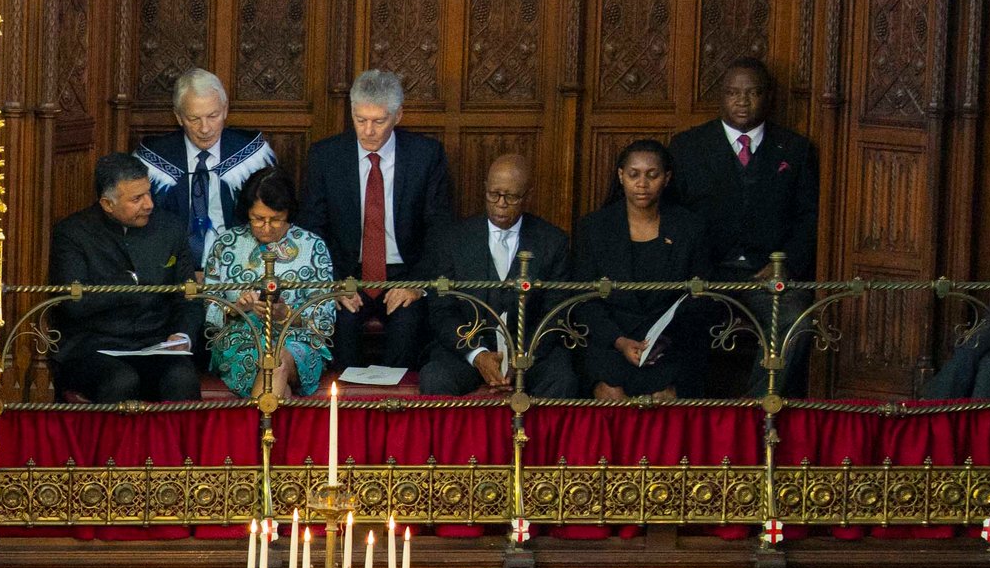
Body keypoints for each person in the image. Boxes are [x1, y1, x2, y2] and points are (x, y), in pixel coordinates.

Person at [667, 58, 819, 392]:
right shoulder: (687, 147)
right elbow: (673, 216)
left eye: (752, 93)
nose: (742, 101)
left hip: (767, 273)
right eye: (733, 93)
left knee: (797, 321)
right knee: (680, 321)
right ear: (720, 96)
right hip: (705, 272)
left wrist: (786, 264)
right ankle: (692, 416)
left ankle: (755, 411)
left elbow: (809, 217)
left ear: (768, 97)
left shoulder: (795, 149)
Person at [303, 68, 457, 373]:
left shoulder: (425, 156)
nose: (368, 131)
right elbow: (312, 228)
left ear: (398, 116)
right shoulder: (326, 156)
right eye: (360, 120)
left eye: (378, 121)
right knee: (340, 324)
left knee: (409, 324)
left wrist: (417, 284)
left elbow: (439, 230)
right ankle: (345, 411)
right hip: (346, 272)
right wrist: (330, 283)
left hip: (405, 272)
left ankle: (393, 411)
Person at [557, 140, 708, 401]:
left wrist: (664, 340)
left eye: (653, 175)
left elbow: (700, 298)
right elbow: (583, 301)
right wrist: (619, 340)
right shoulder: (593, 228)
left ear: (667, 178)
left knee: (666, 396)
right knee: (610, 393)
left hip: (669, 344)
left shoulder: (689, 228)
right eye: (633, 174)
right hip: (610, 342)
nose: (642, 183)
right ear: (620, 176)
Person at [46, 152, 201, 403]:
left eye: (149, 193)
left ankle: (176, 445)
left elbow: (188, 297)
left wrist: (183, 335)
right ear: (108, 204)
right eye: (137, 198)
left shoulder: (170, 228)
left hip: (155, 344)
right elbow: (73, 304)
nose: (149, 204)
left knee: (181, 377)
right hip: (95, 347)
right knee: (121, 381)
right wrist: (131, 287)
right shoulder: (73, 233)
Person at [416, 152, 572, 397]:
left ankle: (537, 437)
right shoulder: (452, 240)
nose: (501, 203)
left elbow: (555, 312)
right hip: (468, 349)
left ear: (527, 197)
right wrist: (477, 355)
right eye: (494, 194)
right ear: (485, 189)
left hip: (530, 351)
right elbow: (441, 311)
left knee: (562, 380)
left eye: (511, 197)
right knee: (435, 378)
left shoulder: (552, 242)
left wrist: (523, 357)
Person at [199, 168, 333, 397]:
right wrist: (237, 309)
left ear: (289, 214)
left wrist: (286, 314)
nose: (267, 228)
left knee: (276, 361)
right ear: (247, 212)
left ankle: (258, 431)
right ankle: (269, 431)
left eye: (276, 220)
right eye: (258, 219)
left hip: (296, 340)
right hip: (239, 339)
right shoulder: (226, 244)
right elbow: (209, 313)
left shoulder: (312, 246)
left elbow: (325, 319)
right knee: (274, 374)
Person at [132, 69, 275, 263]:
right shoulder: (153, 160)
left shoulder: (253, 156)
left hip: (243, 264)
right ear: (179, 117)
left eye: (213, 116)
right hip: (170, 266)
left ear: (225, 110)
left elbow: (274, 216)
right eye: (194, 119)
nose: (205, 128)